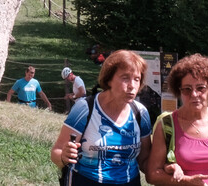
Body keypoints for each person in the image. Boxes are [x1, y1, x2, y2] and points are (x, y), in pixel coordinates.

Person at [51, 50, 154, 185]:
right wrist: (64, 156)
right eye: (125, 78)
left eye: (137, 79)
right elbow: (56, 152)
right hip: (85, 180)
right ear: (109, 79)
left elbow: (144, 161)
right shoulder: (85, 108)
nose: (132, 86)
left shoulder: (140, 113)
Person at [145, 54, 208, 186]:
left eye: (200, 88)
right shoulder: (167, 125)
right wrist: (187, 181)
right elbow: (152, 175)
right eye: (187, 89)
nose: (194, 94)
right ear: (179, 91)